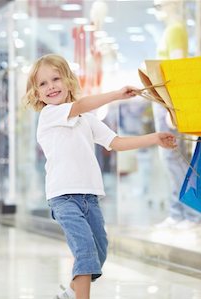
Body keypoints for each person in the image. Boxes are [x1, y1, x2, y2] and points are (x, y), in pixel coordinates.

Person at [25, 54, 177, 299]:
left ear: (68, 81)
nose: (51, 86)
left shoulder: (86, 120)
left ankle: (69, 293)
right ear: (36, 93)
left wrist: (155, 138)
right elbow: (80, 105)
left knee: (99, 253)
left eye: (56, 78)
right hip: (63, 198)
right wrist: (116, 94)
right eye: (42, 83)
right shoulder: (49, 115)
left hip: (90, 198)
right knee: (85, 251)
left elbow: (115, 142)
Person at [152, 0, 201, 229]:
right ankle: (178, 212)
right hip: (163, 100)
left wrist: (170, 106)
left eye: (162, 3)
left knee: (174, 158)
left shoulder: (176, 30)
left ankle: (190, 214)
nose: (158, 6)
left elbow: (177, 71)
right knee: (170, 158)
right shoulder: (171, 30)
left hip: (167, 101)